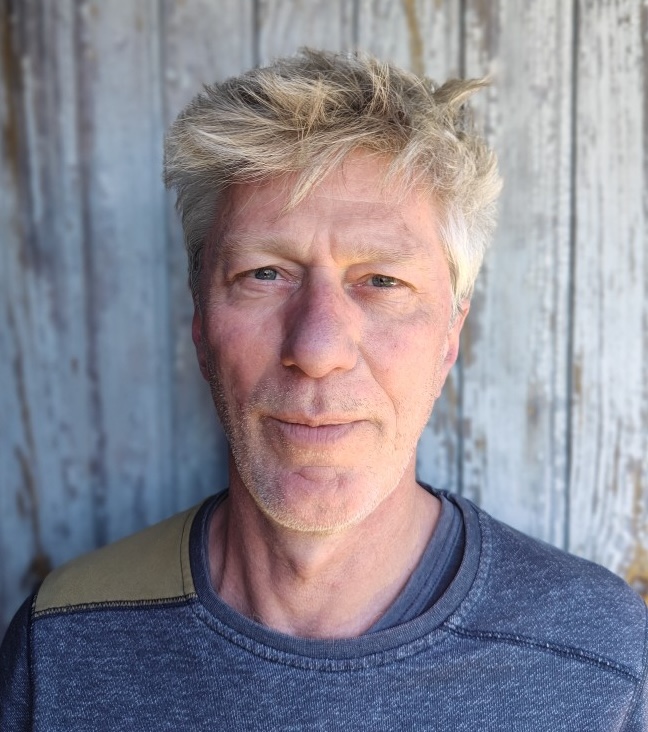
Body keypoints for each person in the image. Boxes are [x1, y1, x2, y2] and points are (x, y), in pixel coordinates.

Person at [1, 49, 646, 731]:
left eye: (382, 281)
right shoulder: (64, 642)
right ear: (200, 320)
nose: (316, 350)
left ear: (450, 333)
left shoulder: (598, 660)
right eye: (264, 274)